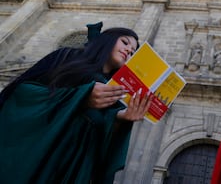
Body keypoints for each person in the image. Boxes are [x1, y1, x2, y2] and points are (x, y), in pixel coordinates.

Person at [0, 25, 153, 183]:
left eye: (133, 51)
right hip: (39, 151)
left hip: (73, 165)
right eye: (125, 42)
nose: (129, 50)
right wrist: (81, 96)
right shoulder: (66, 56)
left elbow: (102, 140)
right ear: (107, 39)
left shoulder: (117, 90)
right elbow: (22, 91)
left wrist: (121, 118)